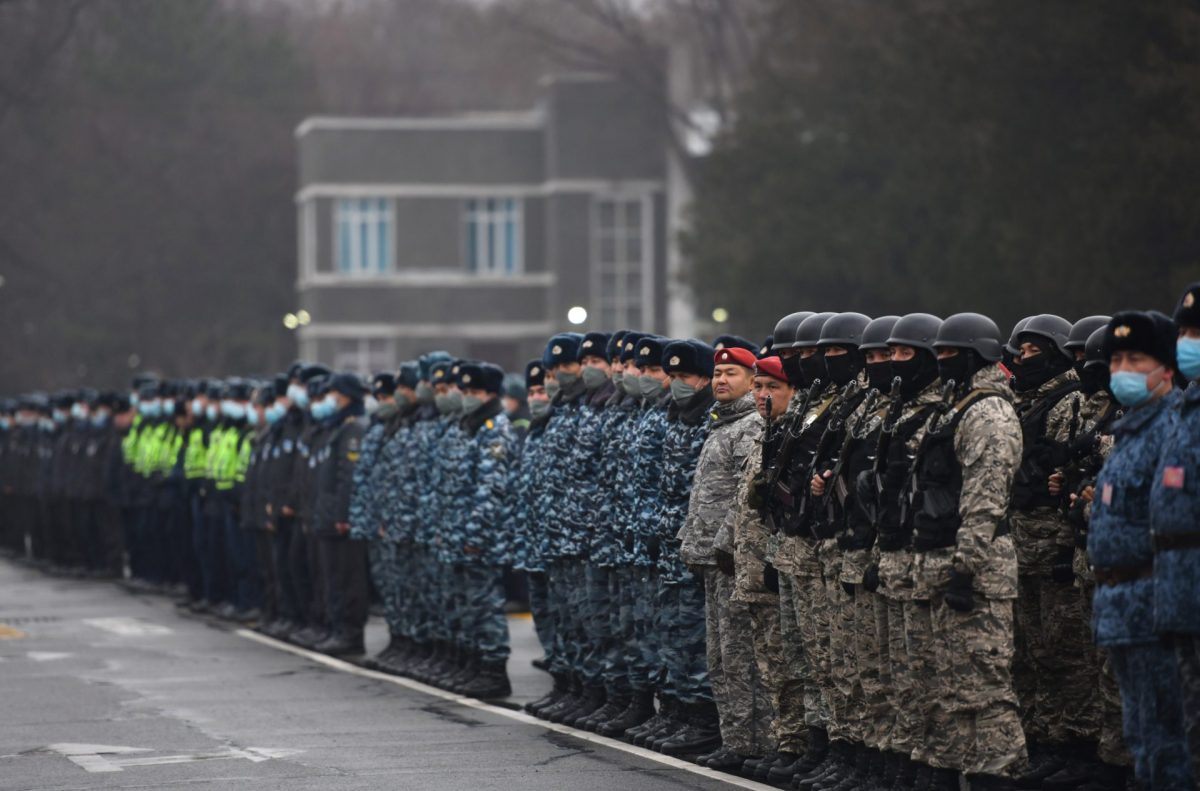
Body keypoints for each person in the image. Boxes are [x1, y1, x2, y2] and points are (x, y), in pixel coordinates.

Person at [1090, 310, 1191, 791]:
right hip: (1121, 607)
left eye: (1136, 359)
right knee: (1141, 738)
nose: (1122, 370)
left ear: (1166, 368)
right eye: (1116, 360)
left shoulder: (1173, 428)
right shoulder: (1129, 431)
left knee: (1169, 743)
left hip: (1156, 606)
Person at [681, 342, 768, 769]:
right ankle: (735, 738)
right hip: (712, 560)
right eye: (717, 374)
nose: (720, 380)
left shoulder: (751, 424)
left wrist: (722, 544)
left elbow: (745, 496)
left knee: (740, 658)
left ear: (753, 380)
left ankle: (751, 743)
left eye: (731, 373)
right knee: (719, 657)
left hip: (733, 560)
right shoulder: (722, 424)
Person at [1152, 282, 1200, 783]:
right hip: (1178, 590)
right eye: (1184, 331)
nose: (1189, 341)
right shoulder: (1185, 411)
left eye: (1197, 332)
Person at [311, 373, 369, 656]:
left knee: (348, 578)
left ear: (345, 396)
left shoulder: (352, 429)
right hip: (328, 518)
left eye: (334, 394)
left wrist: (343, 515)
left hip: (340, 521)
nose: (329, 400)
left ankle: (350, 633)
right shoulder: (335, 427)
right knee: (333, 578)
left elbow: (349, 477)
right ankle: (337, 629)